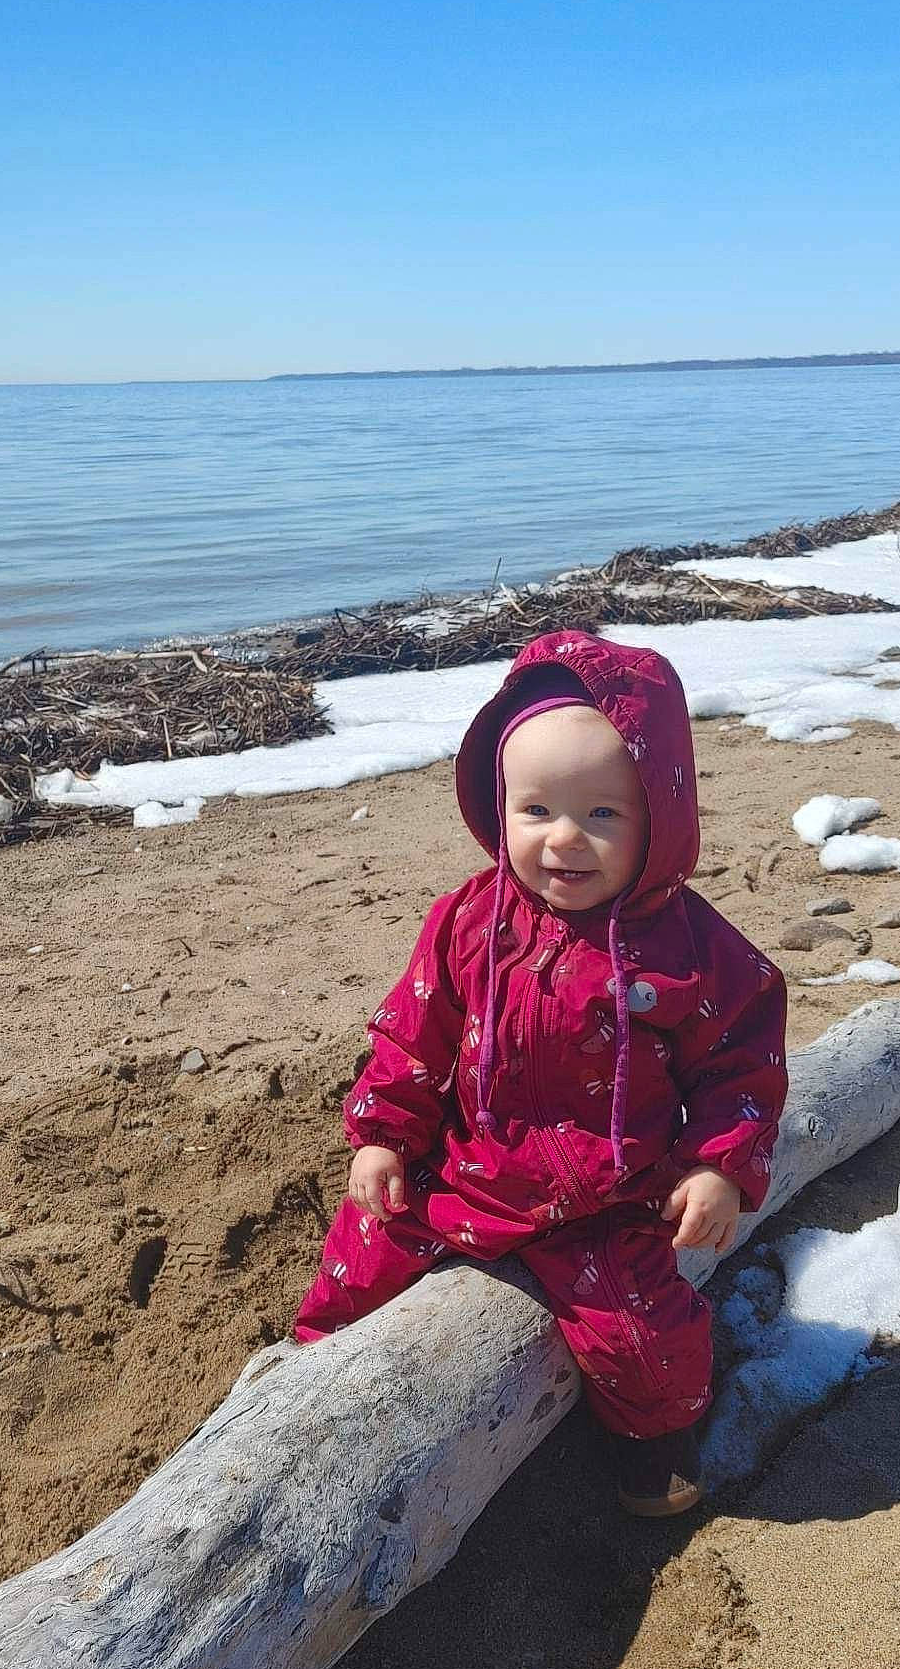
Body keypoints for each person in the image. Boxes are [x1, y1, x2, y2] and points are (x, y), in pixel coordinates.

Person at [292, 629, 787, 1516]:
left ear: (660, 813)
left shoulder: (692, 951)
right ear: (499, 806)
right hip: (470, 1169)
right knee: (361, 1248)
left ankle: (655, 1464)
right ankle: (310, 1378)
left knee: (647, 1340)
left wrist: (718, 1163)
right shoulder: (468, 921)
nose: (565, 840)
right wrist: (382, 1136)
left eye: (603, 814)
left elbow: (742, 1061)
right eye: (536, 812)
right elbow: (414, 1036)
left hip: (608, 1198)